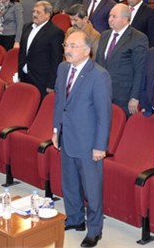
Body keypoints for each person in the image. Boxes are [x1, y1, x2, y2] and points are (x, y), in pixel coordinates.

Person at [53, 30, 112, 248]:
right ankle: (75, 218)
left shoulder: (99, 75)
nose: (67, 50)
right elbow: (59, 102)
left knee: (92, 189)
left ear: (87, 51)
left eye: (73, 46)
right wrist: (55, 130)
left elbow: (104, 114)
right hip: (67, 136)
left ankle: (94, 230)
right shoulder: (63, 68)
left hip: (88, 142)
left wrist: (100, 146)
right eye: (66, 45)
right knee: (69, 183)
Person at [95, 3, 148, 117]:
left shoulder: (138, 38)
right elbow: (98, 63)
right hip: (102, 91)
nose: (110, 19)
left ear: (125, 19)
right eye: (110, 16)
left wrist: (135, 97)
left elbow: (140, 70)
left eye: (114, 16)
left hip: (123, 95)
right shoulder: (104, 35)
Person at [18, 1, 65, 98]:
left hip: (41, 79)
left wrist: (51, 84)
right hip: (25, 76)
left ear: (48, 15)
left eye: (38, 12)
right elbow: (22, 51)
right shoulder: (26, 27)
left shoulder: (55, 32)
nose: (34, 14)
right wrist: (20, 72)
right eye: (34, 11)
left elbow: (56, 60)